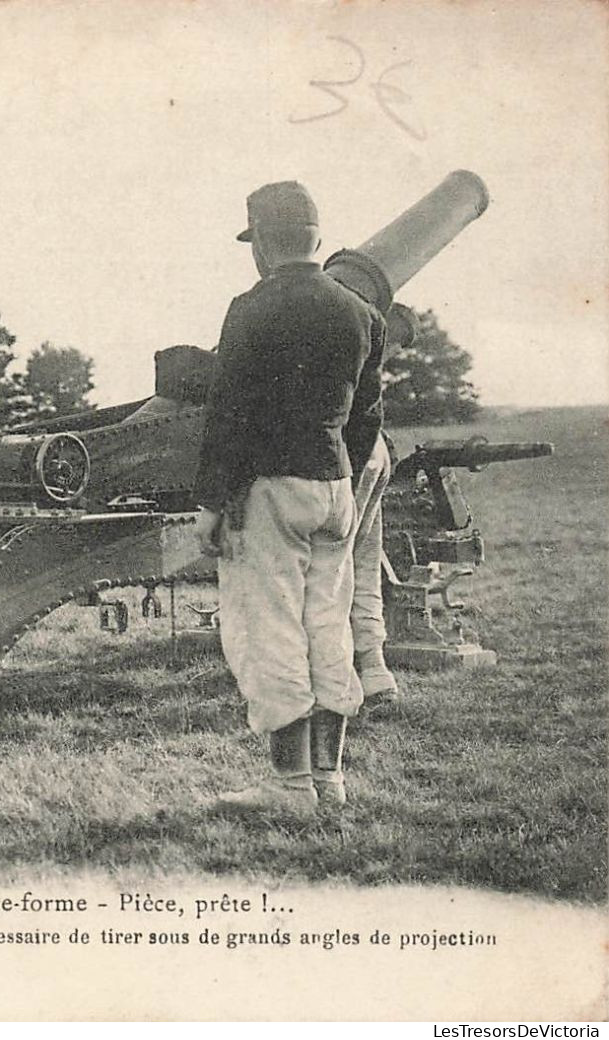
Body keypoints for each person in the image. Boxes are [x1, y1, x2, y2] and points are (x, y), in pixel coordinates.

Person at [194, 182, 383, 815]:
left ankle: (289, 786)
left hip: (271, 487)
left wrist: (214, 502)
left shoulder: (251, 308)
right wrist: (342, 484)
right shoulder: (362, 313)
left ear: (263, 244)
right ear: (318, 240)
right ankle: (329, 779)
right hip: (335, 487)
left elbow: (227, 415)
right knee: (327, 628)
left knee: (269, 628)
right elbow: (366, 418)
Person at [349, 308, 414, 713]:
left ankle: (340, 681)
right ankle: (374, 671)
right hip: (371, 449)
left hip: (342, 455)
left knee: (333, 569)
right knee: (364, 565)